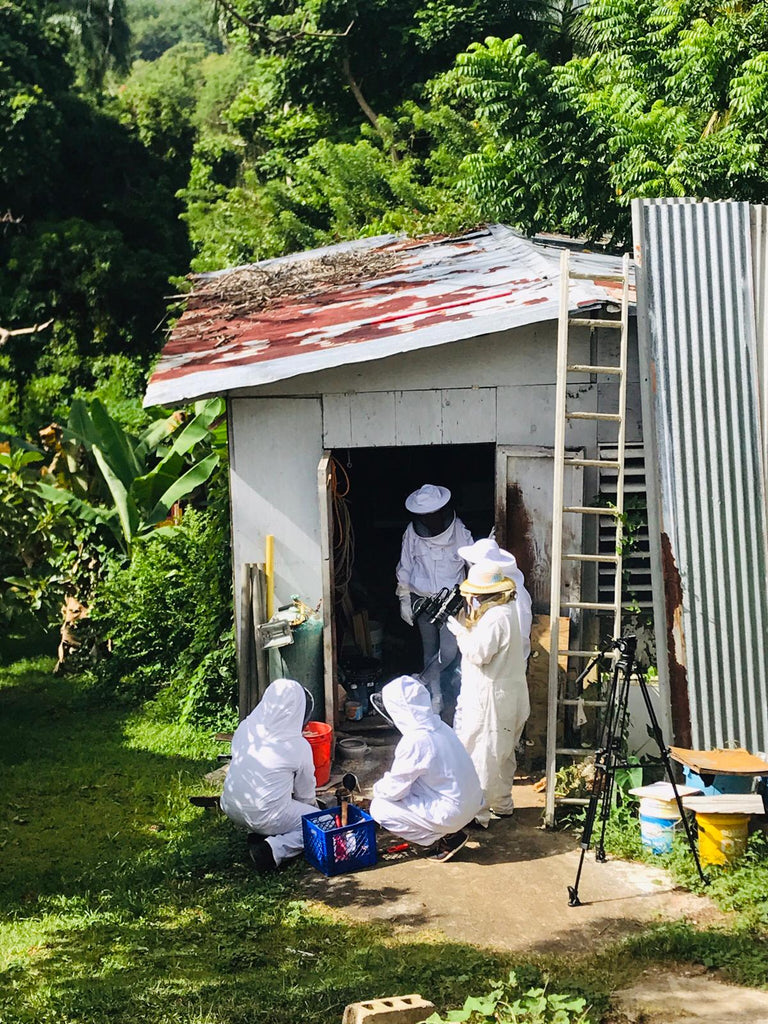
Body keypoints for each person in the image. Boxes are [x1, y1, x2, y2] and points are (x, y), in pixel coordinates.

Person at [447, 560, 530, 827]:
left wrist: (460, 634)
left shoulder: (496, 617)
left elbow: (479, 654)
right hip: (509, 695)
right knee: (502, 754)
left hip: (493, 699)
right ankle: (502, 804)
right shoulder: (506, 612)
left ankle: (476, 814)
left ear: (481, 594)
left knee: (483, 755)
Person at [369, 675, 483, 862]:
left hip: (453, 811)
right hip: (473, 803)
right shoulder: (440, 726)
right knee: (411, 787)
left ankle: (447, 837)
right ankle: (448, 830)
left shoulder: (416, 741)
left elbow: (394, 790)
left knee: (380, 807)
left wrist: (376, 790)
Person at [220, 677, 317, 872]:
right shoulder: (298, 745)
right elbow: (305, 796)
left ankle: (259, 833)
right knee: (319, 824)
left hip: (231, 806)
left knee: (275, 810)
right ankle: (273, 850)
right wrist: (315, 811)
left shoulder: (246, 728)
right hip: (265, 815)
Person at [396, 483, 473, 714]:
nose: (428, 520)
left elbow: (473, 564)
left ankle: (420, 680)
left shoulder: (459, 530)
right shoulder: (412, 532)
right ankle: (435, 698)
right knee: (429, 651)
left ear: (441, 511)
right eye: (423, 516)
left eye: (431, 515)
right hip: (423, 600)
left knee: (448, 653)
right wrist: (404, 598)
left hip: (452, 602)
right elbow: (405, 566)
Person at [457, 536, 533, 661]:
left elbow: (519, 636)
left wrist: (460, 633)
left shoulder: (516, 595)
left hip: (505, 666)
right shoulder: (492, 594)